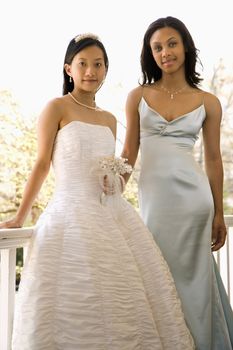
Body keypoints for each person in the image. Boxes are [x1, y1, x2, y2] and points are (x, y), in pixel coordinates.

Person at [0, 33, 195, 349]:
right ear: (69, 69)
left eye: (98, 64)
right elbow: (41, 165)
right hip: (69, 216)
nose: (91, 71)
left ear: (106, 69)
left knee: (124, 298)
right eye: (83, 64)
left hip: (112, 217)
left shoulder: (109, 118)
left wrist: (115, 181)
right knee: (76, 300)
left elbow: (116, 169)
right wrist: (20, 215)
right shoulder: (56, 108)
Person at [121, 16, 233, 350]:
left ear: (185, 46)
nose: (165, 52)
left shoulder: (208, 102)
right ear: (149, 54)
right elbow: (129, 151)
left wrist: (217, 213)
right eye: (157, 47)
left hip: (194, 202)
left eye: (171, 43)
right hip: (156, 202)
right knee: (157, 274)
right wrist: (108, 194)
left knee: (196, 282)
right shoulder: (137, 96)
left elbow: (213, 159)